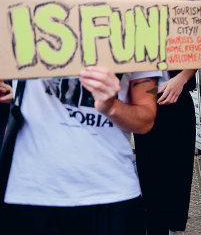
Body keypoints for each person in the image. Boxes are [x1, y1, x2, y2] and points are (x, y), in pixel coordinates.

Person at [1, 67, 161, 235]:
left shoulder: (139, 42)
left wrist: (112, 106)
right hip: (31, 191)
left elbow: (145, 120)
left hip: (110, 192)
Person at [134, 69, 197, 235]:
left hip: (177, 99)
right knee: (150, 182)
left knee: (179, 178)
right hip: (143, 105)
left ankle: (173, 227)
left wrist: (182, 78)